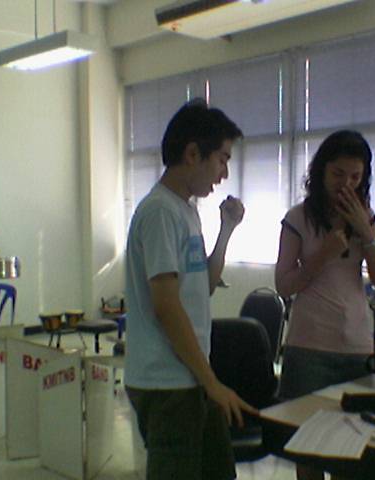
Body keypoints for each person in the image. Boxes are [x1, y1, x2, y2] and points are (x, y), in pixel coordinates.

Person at [124, 98, 257, 480]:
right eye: (222, 159)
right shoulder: (160, 212)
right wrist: (212, 384)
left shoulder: (185, 209)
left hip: (190, 376)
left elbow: (204, 285)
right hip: (167, 384)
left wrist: (226, 230)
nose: (224, 173)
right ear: (193, 153)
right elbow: (167, 307)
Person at [275, 130, 375, 480]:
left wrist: (366, 234)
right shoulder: (298, 218)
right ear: (321, 171)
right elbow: (284, 285)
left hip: (356, 348)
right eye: (338, 174)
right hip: (309, 348)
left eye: (355, 177)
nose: (346, 184)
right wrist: (322, 254)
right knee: (308, 450)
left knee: (350, 452)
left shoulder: (366, 218)